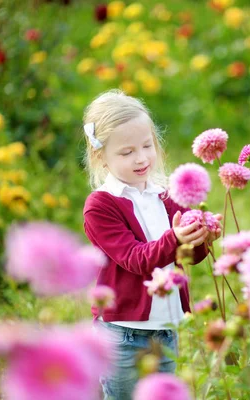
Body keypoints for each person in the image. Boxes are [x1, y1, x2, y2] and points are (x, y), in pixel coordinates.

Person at [82, 89, 221, 400]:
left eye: (147, 146)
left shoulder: (164, 194)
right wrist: (176, 237)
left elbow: (184, 255)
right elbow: (135, 259)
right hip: (123, 334)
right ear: (101, 157)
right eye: (127, 152)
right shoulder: (101, 206)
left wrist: (203, 237)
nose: (141, 157)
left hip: (167, 329)